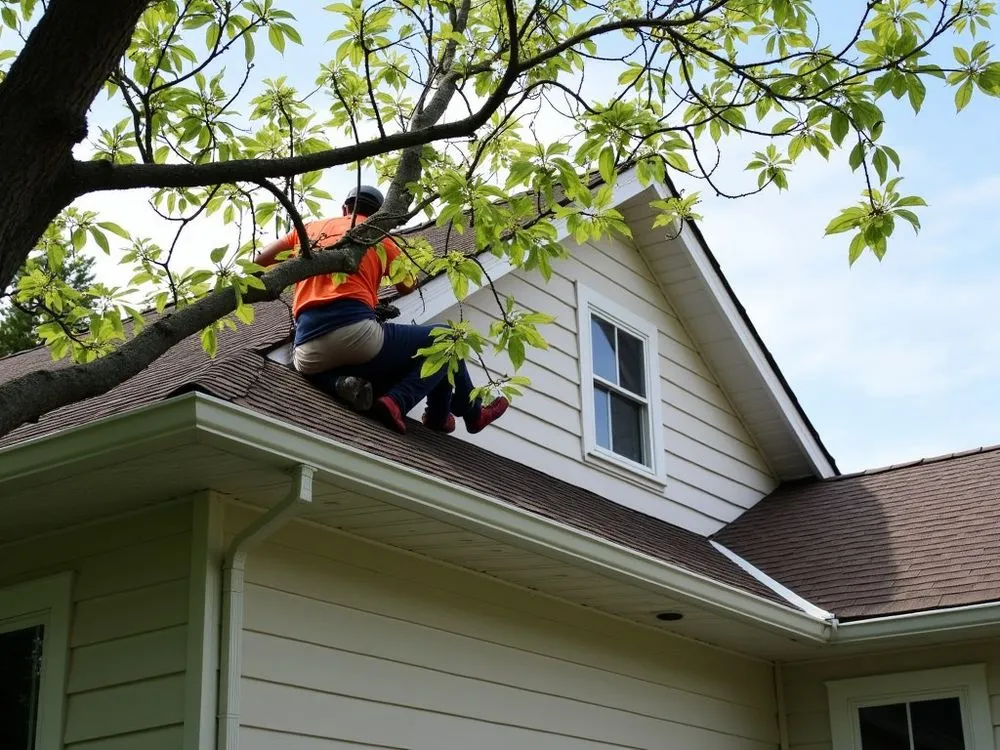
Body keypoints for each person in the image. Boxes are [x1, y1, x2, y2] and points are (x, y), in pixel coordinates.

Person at [255, 184, 508, 436]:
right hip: (356, 335)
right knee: (448, 339)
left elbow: (259, 262)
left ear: (345, 208)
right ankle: (409, 403)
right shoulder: (379, 236)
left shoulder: (310, 229)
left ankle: (438, 416)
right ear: (380, 216)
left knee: (434, 357)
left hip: (306, 353)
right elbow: (408, 285)